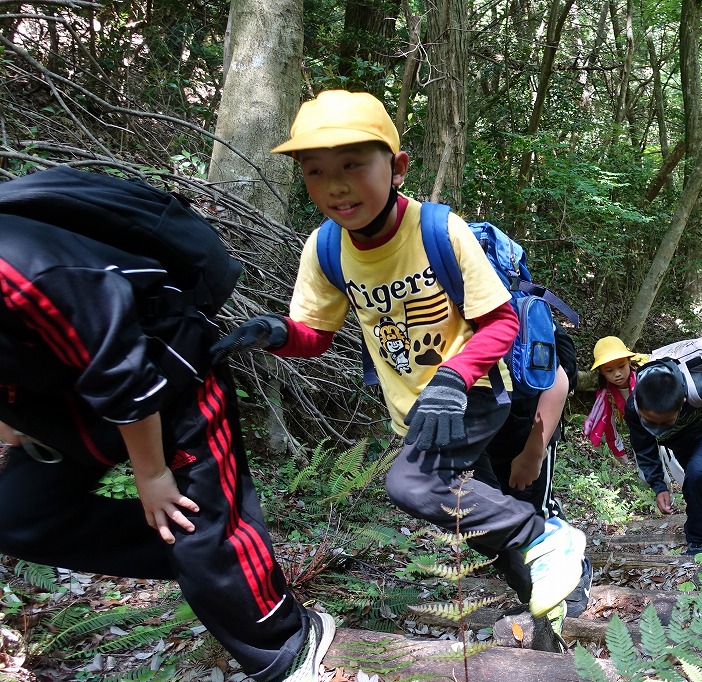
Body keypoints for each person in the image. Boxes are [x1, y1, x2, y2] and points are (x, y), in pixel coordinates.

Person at [211, 90, 585, 628]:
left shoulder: (438, 230)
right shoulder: (325, 249)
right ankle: (552, 602)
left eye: (353, 165)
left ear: (398, 167)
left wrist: (455, 375)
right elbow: (314, 335)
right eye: (315, 172)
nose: (335, 185)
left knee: (412, 484)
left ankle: (546, 537)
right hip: (416, 410)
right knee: (475, 516)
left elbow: (501, 321)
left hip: (471, 392)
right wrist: (275, 333)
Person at [0, 211, 331, 682]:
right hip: (66, 403)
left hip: (167, 370)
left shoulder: (22, 271)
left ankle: (289, 644)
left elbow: (124, 374)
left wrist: (152, 475)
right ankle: (213, 559)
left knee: (192, 522)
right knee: (17, 515)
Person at [484, 327, 592, 619]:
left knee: (534, 506)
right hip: (486, 434)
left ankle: (575, 578)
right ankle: (531, 591)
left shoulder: (502, 313)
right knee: (486, 521)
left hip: (531, 427)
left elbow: (557, 378)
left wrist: (534, 451)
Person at [623, 356, 702, 556]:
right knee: (699, 480)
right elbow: (644, 449)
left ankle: (698, 539)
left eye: (664, 422)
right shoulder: (633, 408)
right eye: (650, 422)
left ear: (682, 403)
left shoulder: (700, 387)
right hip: (678, 441)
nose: (656, 427)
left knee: (697, 474)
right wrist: (659, 486)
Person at [583, 336, 644, 461]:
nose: (617, 374)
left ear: (629, 361)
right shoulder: (606, 395)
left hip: (663, 429)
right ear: (601, 371)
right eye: (609, 370)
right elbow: (608, 425)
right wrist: (618, 451)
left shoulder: (645, 379)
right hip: (639, 436)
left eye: (621, 366)